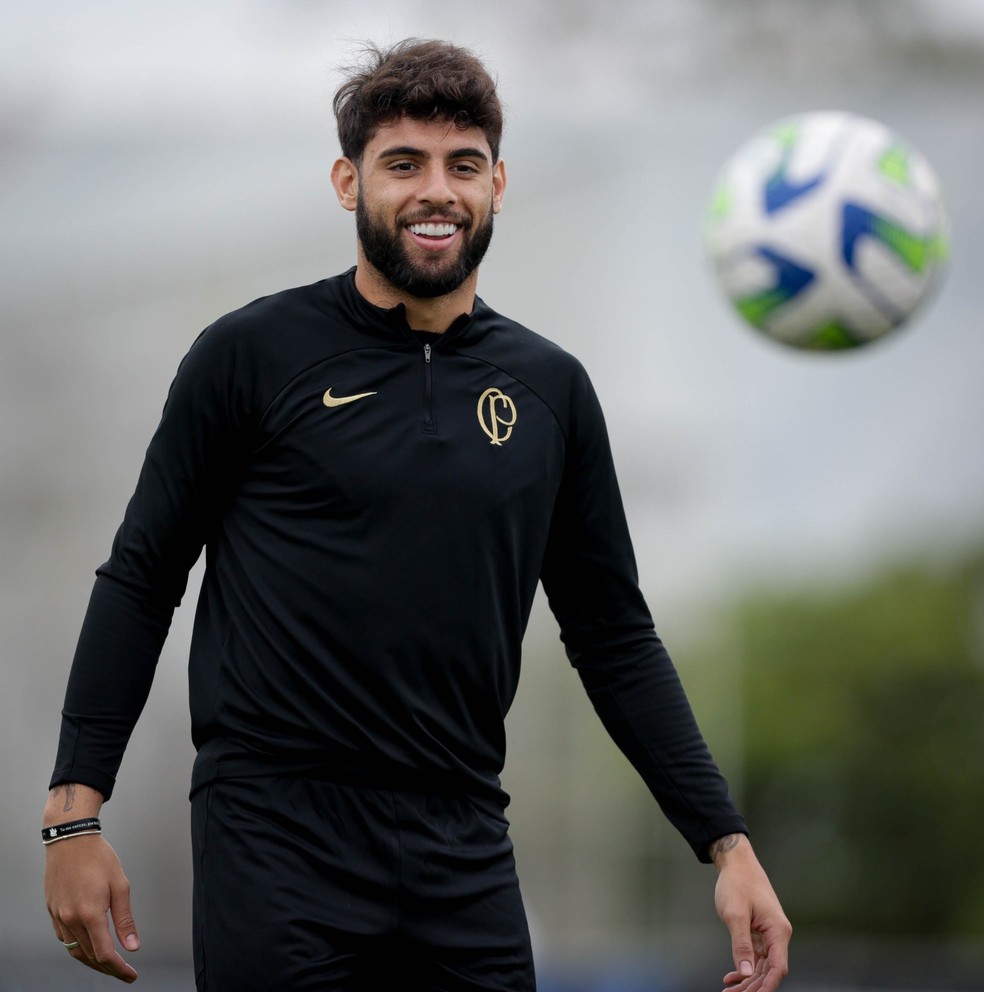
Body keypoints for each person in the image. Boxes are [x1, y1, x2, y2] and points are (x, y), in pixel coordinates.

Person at [43, 38, 791, 992]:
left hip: (465, 840)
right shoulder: (250, 355)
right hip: (276, 833)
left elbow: (612, 634)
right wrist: (75, 815)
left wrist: (725, 842)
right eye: (404, 164)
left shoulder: (552, 390)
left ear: (497, 183)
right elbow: (142, 578)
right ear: (348, 181)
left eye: (462, 165)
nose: (436, 190)